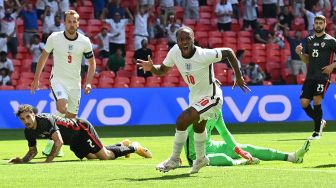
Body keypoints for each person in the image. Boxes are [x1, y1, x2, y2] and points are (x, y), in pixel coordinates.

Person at [137, 26, 250, 174]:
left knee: (181, 120)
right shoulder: (175, 52)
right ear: (176, 41)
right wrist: (152, 68)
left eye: (188, 38)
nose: (185, 42)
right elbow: (163, 71)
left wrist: (239, 77)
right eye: (181, 39)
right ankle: (201, 158)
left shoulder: (203, 54)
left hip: (212, 97)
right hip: (195, 97)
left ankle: (175, 159)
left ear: (193, 38)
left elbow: (229, 52)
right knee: (198, 127)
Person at [30, 10, 96, 155]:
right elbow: (43, 57)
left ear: (78, 23)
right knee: (62, 106)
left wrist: (89, 82)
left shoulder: (84, 41)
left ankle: (51, 144)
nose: (72, 24)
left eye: (74, 22)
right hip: (58, 80)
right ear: (64, 23)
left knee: (70, 120)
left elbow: (92, 63)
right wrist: (36, 79)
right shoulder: (54, 38)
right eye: (69, 21)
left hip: (75, 84)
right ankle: (51, 137)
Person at [8, 104, 152, 164]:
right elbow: (33, 151)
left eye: (28, 117)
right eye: (22, 119)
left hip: (81, 130)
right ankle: (121, 145)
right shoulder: (28, 132)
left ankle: (134, 147)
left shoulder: (45, 120)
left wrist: (49, 160)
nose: (26, 121)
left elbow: (58, 142)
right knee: (92, 157)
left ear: (33, 114)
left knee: (105, 157)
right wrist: (22, 160)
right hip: (74, 141)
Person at [185, 111, 311, 166]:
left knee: (248, 148)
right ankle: (240, 162)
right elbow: (182, 134)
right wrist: (176, 157)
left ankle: (292, 157)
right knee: (225, 159)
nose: (219, 102)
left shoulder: (217, 112)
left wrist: (239, 150)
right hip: (196, 156)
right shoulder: (194, 114)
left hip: (212, 146)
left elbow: (224, 133)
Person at [295, 15, 336, 140]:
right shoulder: (309, 39)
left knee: (317, 100)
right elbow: (307, 60)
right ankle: (321, 121)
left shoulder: (331, 40)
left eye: (320, 23)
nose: (318, 25)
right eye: (316, 23)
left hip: (323, 76)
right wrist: (300, 54)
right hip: (310, 76)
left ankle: (316, 132)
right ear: (313, 24)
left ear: (325, 25)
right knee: (304, 102)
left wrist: (332, 66)